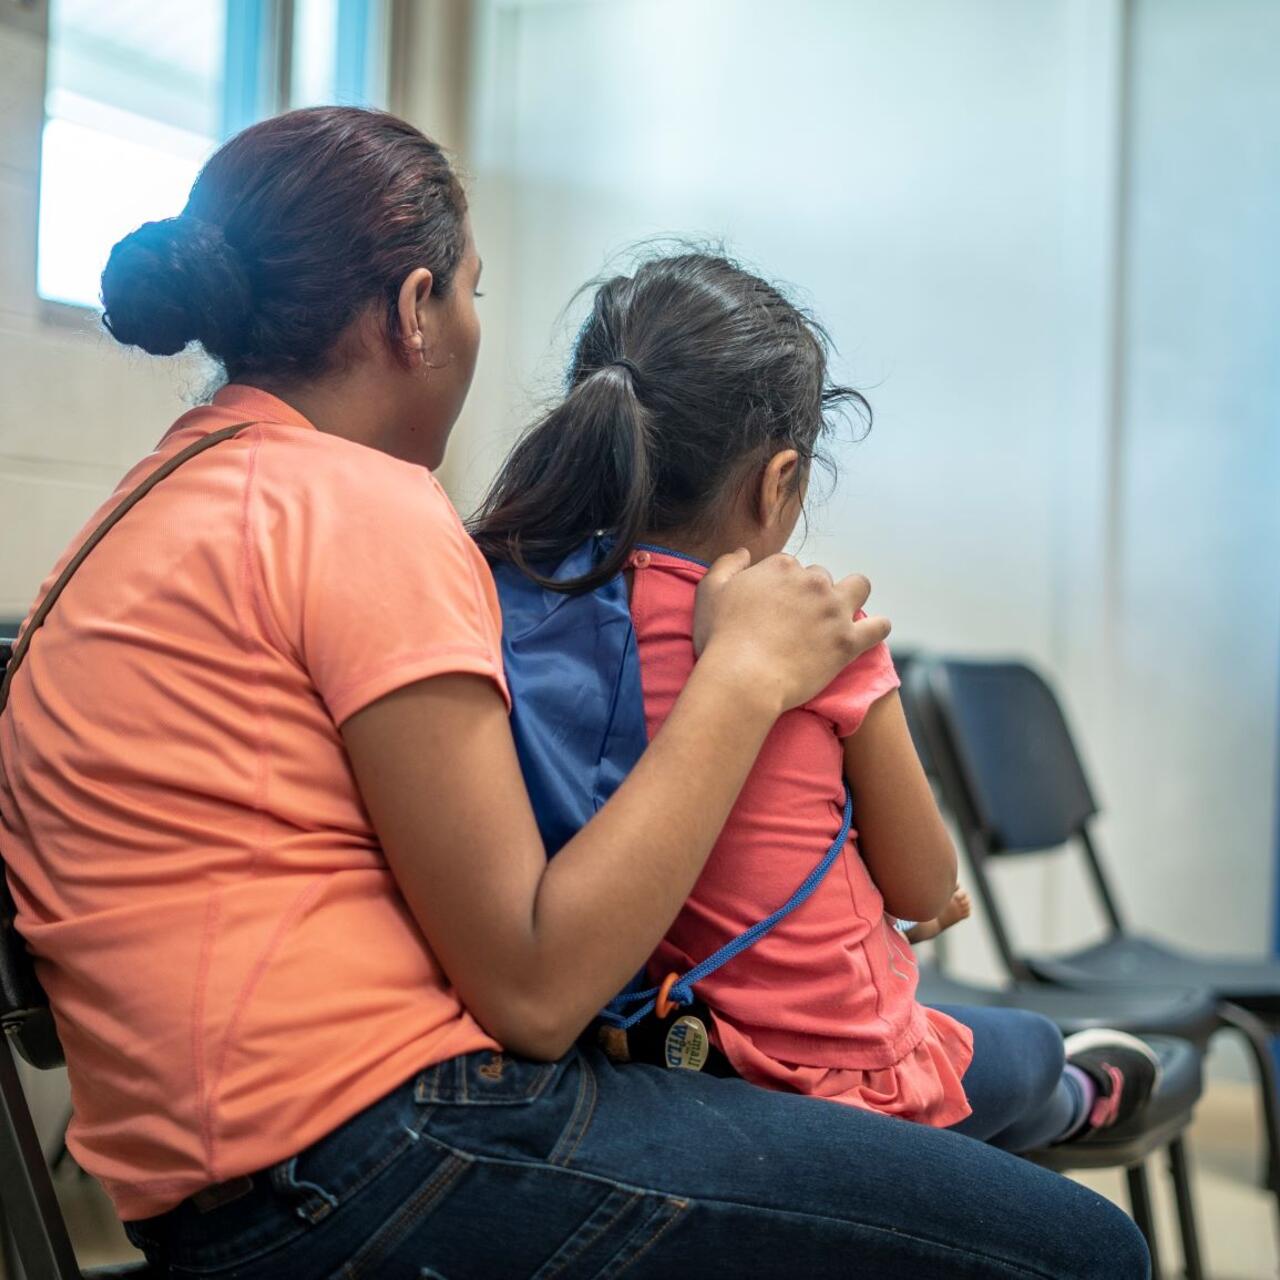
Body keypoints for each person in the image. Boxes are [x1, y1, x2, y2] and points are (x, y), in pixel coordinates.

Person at [0, 108, 1148, 1278]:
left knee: (958, 1100)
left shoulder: (142, 509)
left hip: (224, 1171)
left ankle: (1043, 1082)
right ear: (412, 311)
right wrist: (741, 676)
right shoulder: (357, 505)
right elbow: (538, 987)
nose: (471, 326)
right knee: (1087, 1249)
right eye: (471, 295)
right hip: (368, 1155)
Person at [471, 252, 1160, 1153]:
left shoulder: (532, 607)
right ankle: (1074, 1093)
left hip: (649, 1048)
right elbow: (921, 884)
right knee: (1023, 1050)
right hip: (820, 1072)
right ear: (778, 481)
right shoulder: (818, 635)